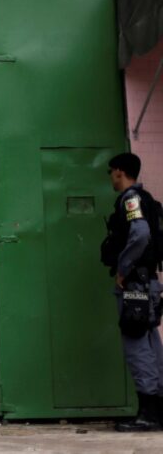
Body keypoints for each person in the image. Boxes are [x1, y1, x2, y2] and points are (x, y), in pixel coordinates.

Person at [103, 152, 163, 432]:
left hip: (135, 286)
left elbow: (139, 234)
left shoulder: (131, 200)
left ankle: (148, 414)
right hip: (148, 282)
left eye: (111, 172)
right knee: (150, 343)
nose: (111, 178)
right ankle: (157, 409)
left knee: (137, 346)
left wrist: (123, 269)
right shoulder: (148, 200)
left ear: (119, 171)